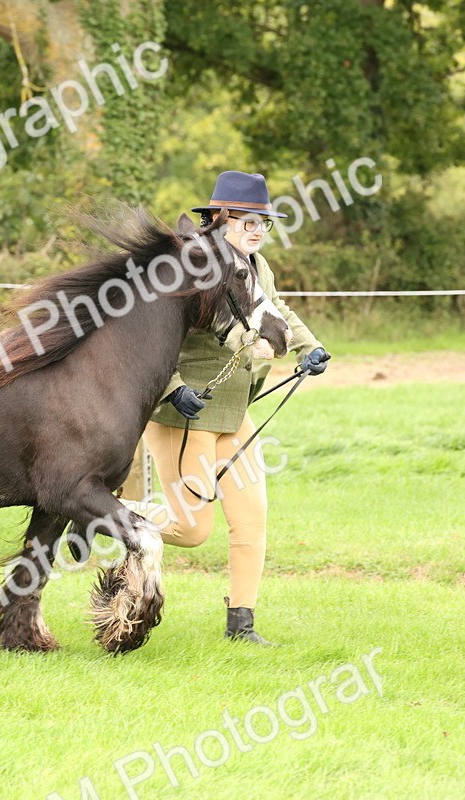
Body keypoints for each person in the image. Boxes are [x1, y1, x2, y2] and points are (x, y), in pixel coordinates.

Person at [126, 171, 331, 646]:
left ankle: (242, 625)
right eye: (247, 221)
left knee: (252, 517)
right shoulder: (188, 267)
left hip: (234, 410)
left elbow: (278, 311)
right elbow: (146, 335)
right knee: (192, 530)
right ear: (219, 218)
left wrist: (310, 347)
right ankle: (107, 514)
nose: (257, 231)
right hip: (185, 414)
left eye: (264, 223)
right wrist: (172, 387)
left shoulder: (257, 266)